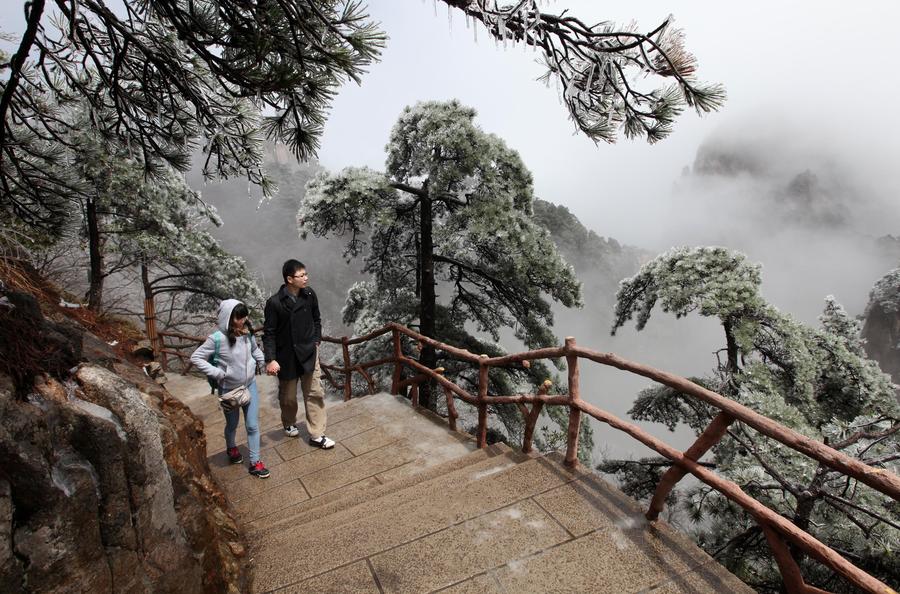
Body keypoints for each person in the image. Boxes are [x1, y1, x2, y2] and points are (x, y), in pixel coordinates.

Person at [191, 299, 270, 478]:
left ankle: (255, 462)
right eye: (238, 317)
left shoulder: (247, 333)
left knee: (252, 425)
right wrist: (217, 373)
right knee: (232, 424)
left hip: (249, 385)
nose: (243, 320)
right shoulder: (217, 339)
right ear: (228, 318)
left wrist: (262, 361)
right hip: (229, 390)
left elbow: (255, 351)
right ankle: (232, 448)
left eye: (244, 316)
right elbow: (196, 358)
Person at [263, 259, 335, 449]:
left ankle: (317, 434)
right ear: (289, 279)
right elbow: (269, 333)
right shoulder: (275, 303)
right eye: (301, 275)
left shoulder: (309, 294)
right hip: (286, 356)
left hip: (309, 352)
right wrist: (270, 359)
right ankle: (288, 422)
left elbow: (316, 319)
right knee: (288, 397)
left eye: (306, 274)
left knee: (314, 392)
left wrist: (316, 339)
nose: (306, 278)